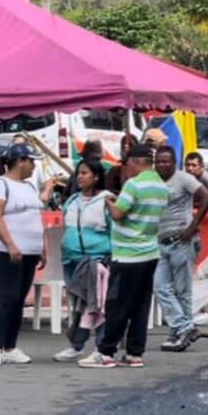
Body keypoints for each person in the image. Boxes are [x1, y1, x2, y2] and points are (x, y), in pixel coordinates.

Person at [80, 145, 169, 368]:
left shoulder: (134, 184)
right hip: (150, 252)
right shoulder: (160, 185)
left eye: (127, 163)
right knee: (140, 306)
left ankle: (106, 351)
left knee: (117, 305)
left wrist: (109, 202)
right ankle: (134, 352)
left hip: (128, 254)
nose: (125, 169)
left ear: (137, 161)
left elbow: (119, 214)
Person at [0, 143, 55, 367]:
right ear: (20, 161)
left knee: (19, 299)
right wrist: (11, 245)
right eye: (31, 161)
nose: (33, 166)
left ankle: (10, 346)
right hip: (7, 250)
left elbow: (36, 214)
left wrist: (41, 246)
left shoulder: (30, 187)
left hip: (30, 250)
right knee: (8, 296)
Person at [153, 145, 208, 353]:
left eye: (165, 161)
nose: (161, 165)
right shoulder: (152, 180)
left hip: (182, 240)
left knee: (182, 291)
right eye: (158, 161)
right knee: (160, 287)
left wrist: (193, 226)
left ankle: (178, 333)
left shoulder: (183, 179)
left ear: (174, 162)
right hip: (160, 241)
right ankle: (184, 327)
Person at [52, 159, 112, 362]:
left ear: (96, 177)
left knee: (97, 304)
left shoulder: (107, 200)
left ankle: (100, 347)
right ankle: (75, 345)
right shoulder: (72, 200)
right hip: (72, 260)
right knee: (77, 304)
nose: (80, 177)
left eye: (85, 173)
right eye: (78, 173)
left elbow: (114, 229)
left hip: (96, 260)